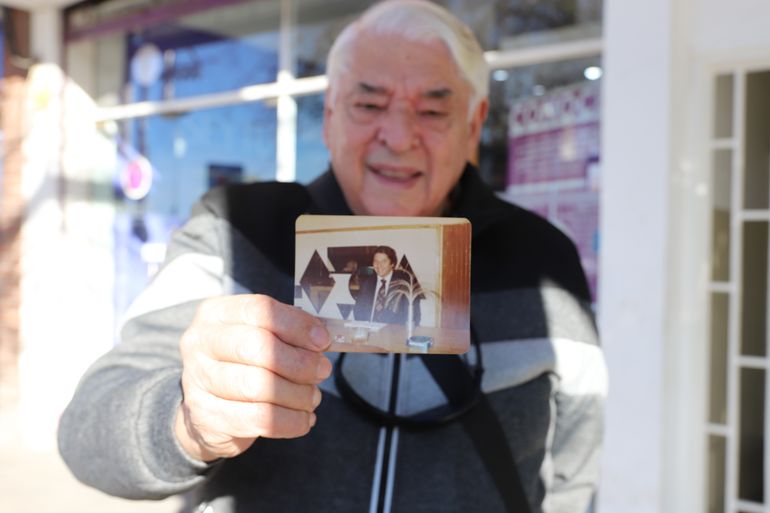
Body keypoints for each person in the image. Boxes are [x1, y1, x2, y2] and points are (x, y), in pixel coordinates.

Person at [58, 1, 607, 512]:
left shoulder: (543, 262)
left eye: (433, 111)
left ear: (473, 124)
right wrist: (185, 421)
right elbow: (89, 429)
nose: (397, 136)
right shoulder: (237, 230)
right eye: (369, 104)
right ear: (328, 117)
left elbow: (577, 468)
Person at [352, 245, 418, 324]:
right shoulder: (367, 282)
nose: (379, 265)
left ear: (392, 264)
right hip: (369, 329)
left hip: (393, 331)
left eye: (384, 261)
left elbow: (414, 315)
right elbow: (358, 310)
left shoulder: (404, 284)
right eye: (376, 261)